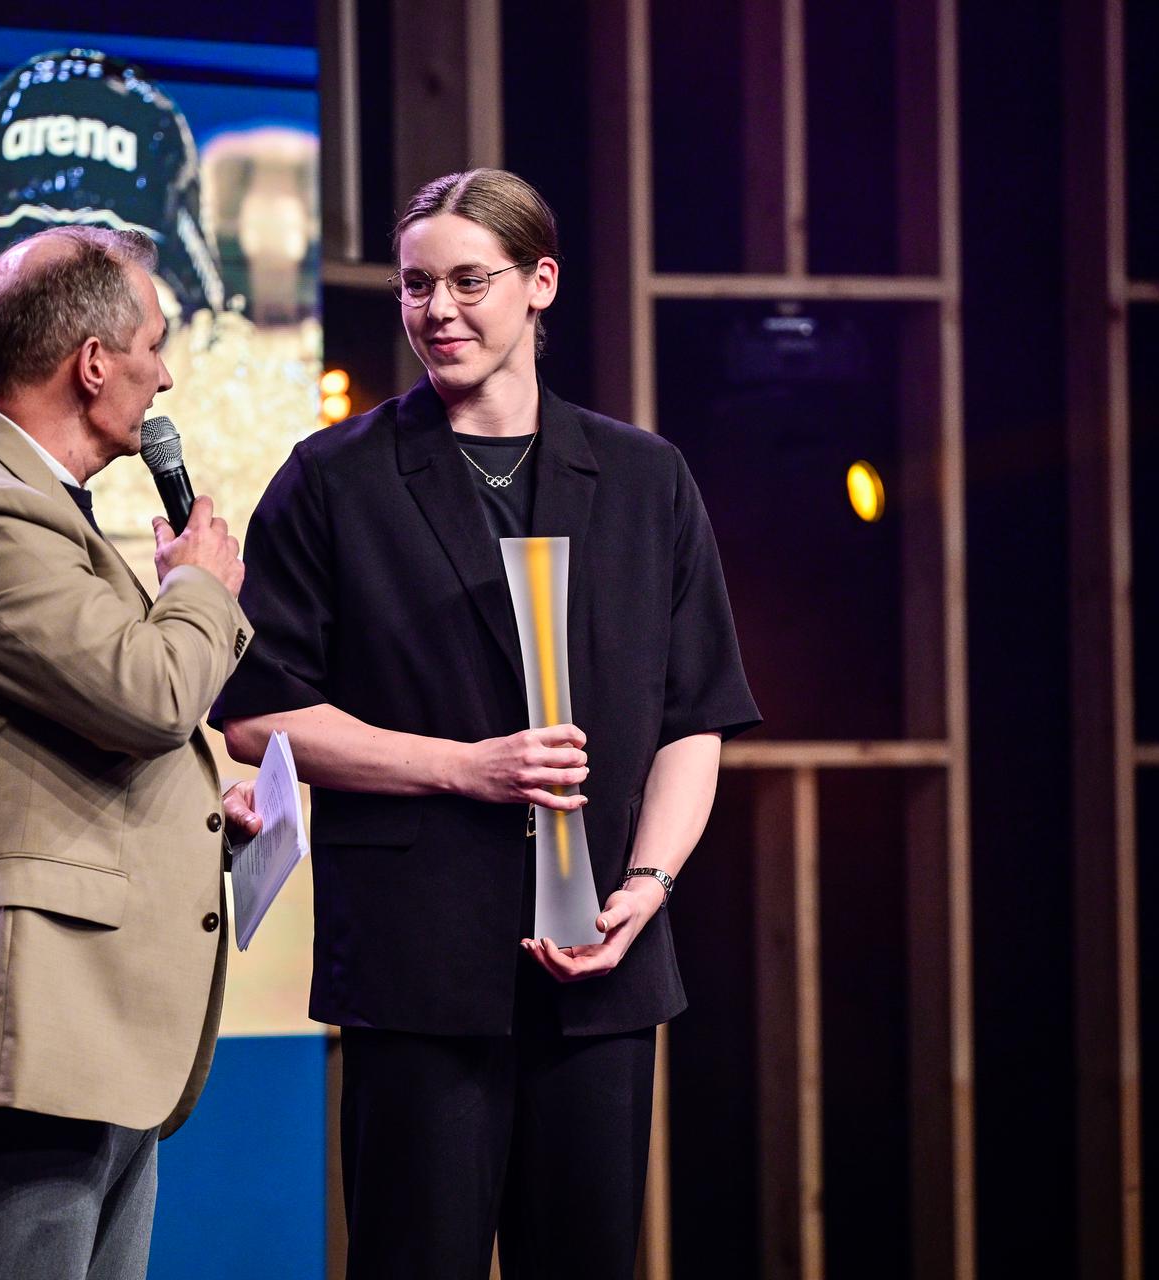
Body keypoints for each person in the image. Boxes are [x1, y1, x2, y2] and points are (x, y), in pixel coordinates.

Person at [213, 169, 759, 1278]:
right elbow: (259, 713)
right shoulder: (334, 480)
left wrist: (645, 889)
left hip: (601, 967)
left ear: (540, 283)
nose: (438, 310)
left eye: (470, 280)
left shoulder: (647, 478)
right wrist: (464, 767)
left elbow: (693, 721)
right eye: (418, 285)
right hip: (419, 971)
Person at [0, 225, 258, 1280]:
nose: (167, 372)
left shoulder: (29, 505)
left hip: (76, 1027)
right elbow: (153, 692)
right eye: (155, 342)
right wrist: (201, 583)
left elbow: (72, 738)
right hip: (16, 1027)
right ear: (93, 362)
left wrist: (204, 818)